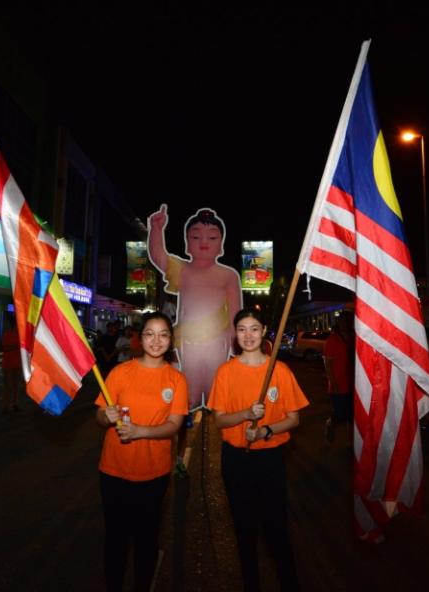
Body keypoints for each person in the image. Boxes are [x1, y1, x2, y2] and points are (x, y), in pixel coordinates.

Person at [210, 309, 308, 592]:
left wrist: (266, 430)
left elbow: (294, 418)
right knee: (244, 531)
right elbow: (219, 420)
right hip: (236, 461)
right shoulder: (225, 372)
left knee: (276, 528)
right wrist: (244, 414)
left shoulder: (279, 370)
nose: (248, 335)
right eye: (242, 329)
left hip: (270, 460)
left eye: (254, 329)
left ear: (264, 331)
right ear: (235, 334)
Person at [94, 312, 188, 592]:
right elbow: (99, 416)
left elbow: (174, 426)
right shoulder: (120, 372)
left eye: (163, 335)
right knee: (115, 539)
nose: (156, 341)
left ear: (170, 340)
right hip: (113, 471)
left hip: (153, 474)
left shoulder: (176, 380)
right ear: (140, 337)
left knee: (146, 539)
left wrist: (140, 431)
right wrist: (106, 415)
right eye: (150, 334)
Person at [147, 204, 242, 409]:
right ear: (187, 243)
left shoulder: (229, 275)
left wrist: (238, 344)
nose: (204, 242)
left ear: (221, 244)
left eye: (212, 237)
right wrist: (156, 229)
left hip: (218, 339)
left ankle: (215, 432)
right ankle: (185, 431)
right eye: (196, 237)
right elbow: (159, 256)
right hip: (188, 340)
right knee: (189, 391)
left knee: (215, 391)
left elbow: (236, 313)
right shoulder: (183, 270)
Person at [323, 310, 354, 442]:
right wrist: (332, 381)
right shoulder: (332, 339)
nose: (346, 323)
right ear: (339, 322)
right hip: (339, 385)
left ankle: (351, 443)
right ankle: (330, 423)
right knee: (340, 414)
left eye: (348, 321)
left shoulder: (355, 338)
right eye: (343, 321)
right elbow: (327, 363)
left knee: (352, 416)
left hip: (354, 384)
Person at [0, 313, 22, 412]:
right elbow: (5, 348)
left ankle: (15, 403)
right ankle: (5, 405)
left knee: (16, 385)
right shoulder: (7, 335)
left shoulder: (21, 336)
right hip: (8, 364)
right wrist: (17, 346)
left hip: (17, 363)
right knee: (8, 386)